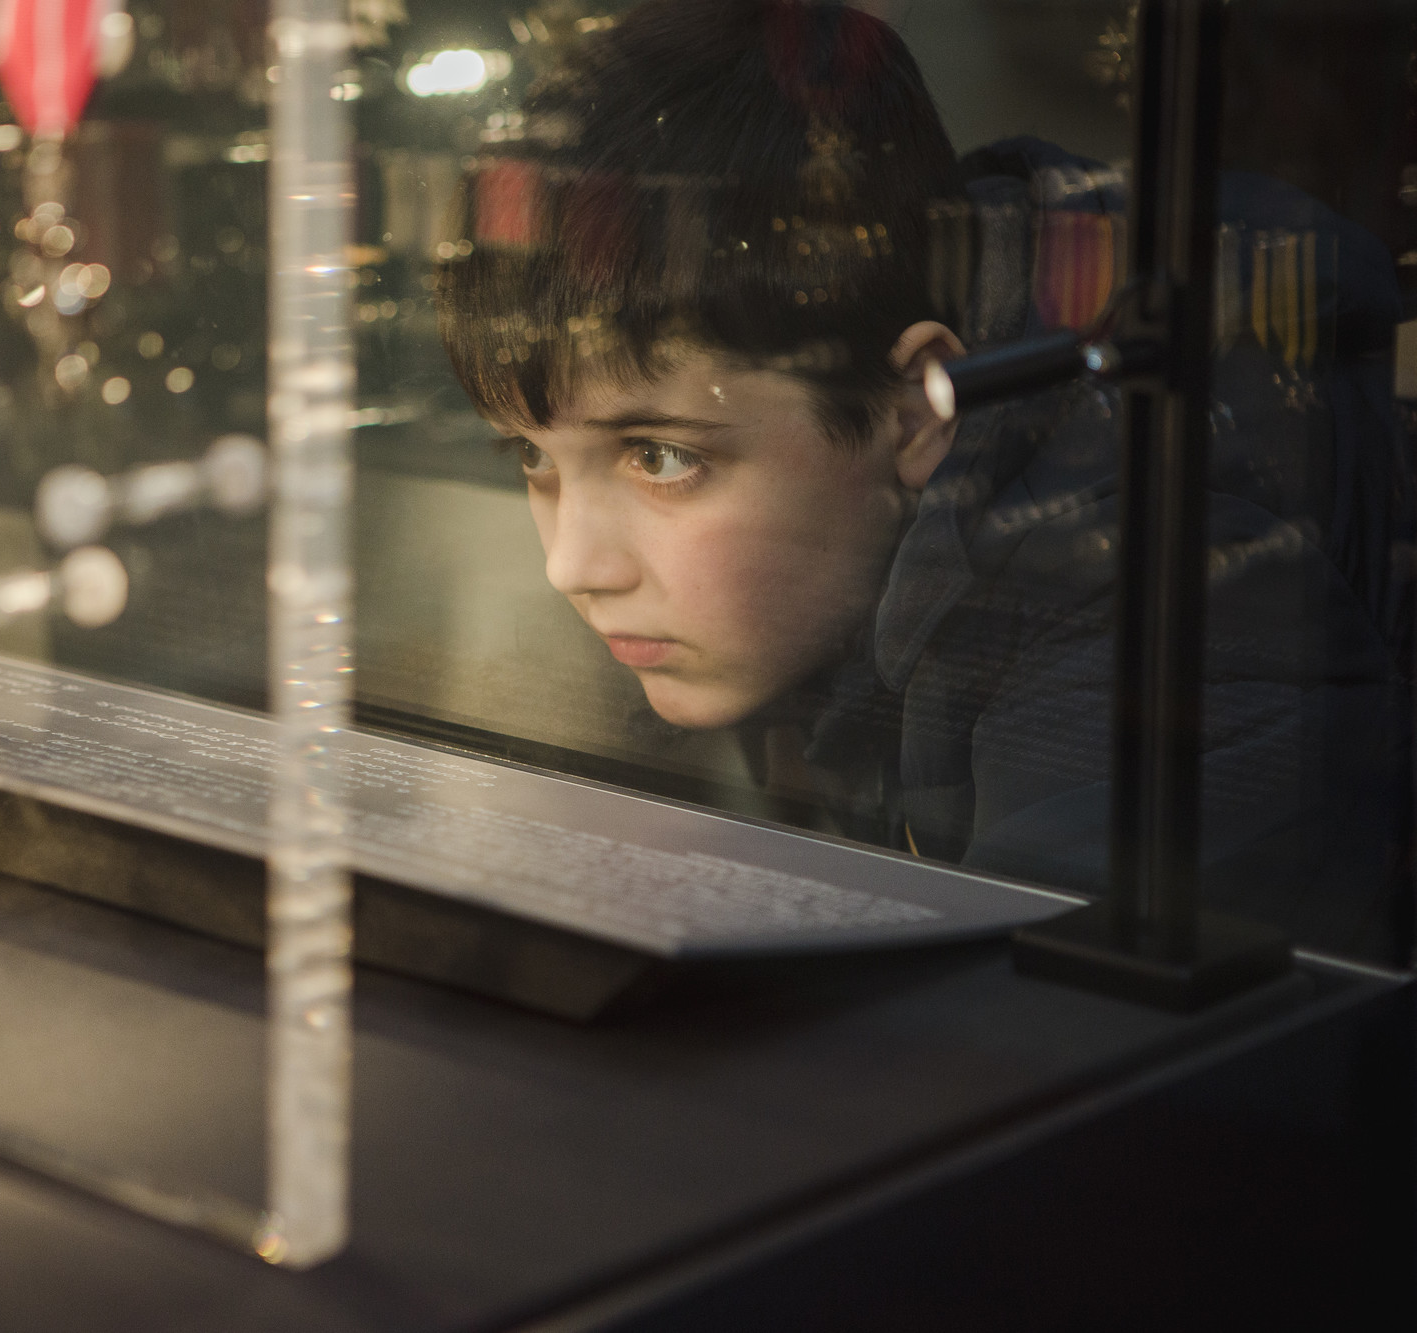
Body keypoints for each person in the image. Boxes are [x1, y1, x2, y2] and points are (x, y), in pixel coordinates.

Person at [434, 0, 1412, 964]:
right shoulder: (796, 596)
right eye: (530, 456)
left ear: (917, 409)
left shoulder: (1170, 633)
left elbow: (1031, 1082)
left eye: (658, 456)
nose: (570, 565)